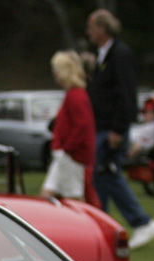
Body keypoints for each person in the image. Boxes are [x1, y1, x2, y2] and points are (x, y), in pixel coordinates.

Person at [85, 9, 154, 249]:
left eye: (91, 27)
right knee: (101, 177)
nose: (88, 32)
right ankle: (103, 227)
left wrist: (118, 129)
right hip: (101, 126)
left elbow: (126, 94)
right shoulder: (102, 55)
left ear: (102, 28)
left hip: (111, 128)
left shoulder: (120, 54)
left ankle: (142, 222)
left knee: (108, 173)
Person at [40, 51, 98, 206]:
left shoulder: (76, 96)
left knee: (75, 200)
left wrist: (67, 148)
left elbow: (82, 126)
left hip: (70, 156)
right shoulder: (74, 94)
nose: (55, 74)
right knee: (47, 196)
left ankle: (86, 229)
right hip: (65, 155)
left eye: (57, 70)